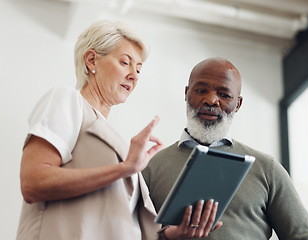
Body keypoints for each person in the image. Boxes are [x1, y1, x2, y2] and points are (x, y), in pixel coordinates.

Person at [16, 20, 220, 240]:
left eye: (139, 69)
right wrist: (124, 168)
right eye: (125, 62)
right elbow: (33, 182)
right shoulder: (67, 100)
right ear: (92, 60)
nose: (134, 75)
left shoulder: (114, 141)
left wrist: (173, 234)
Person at [142, 57, 308, 239]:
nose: (211, 100)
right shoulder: (150, 168)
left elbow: (304, 236)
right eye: (201, 90)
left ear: (238, 104)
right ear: (187, 93)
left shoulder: (267, 169)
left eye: (224, 95)